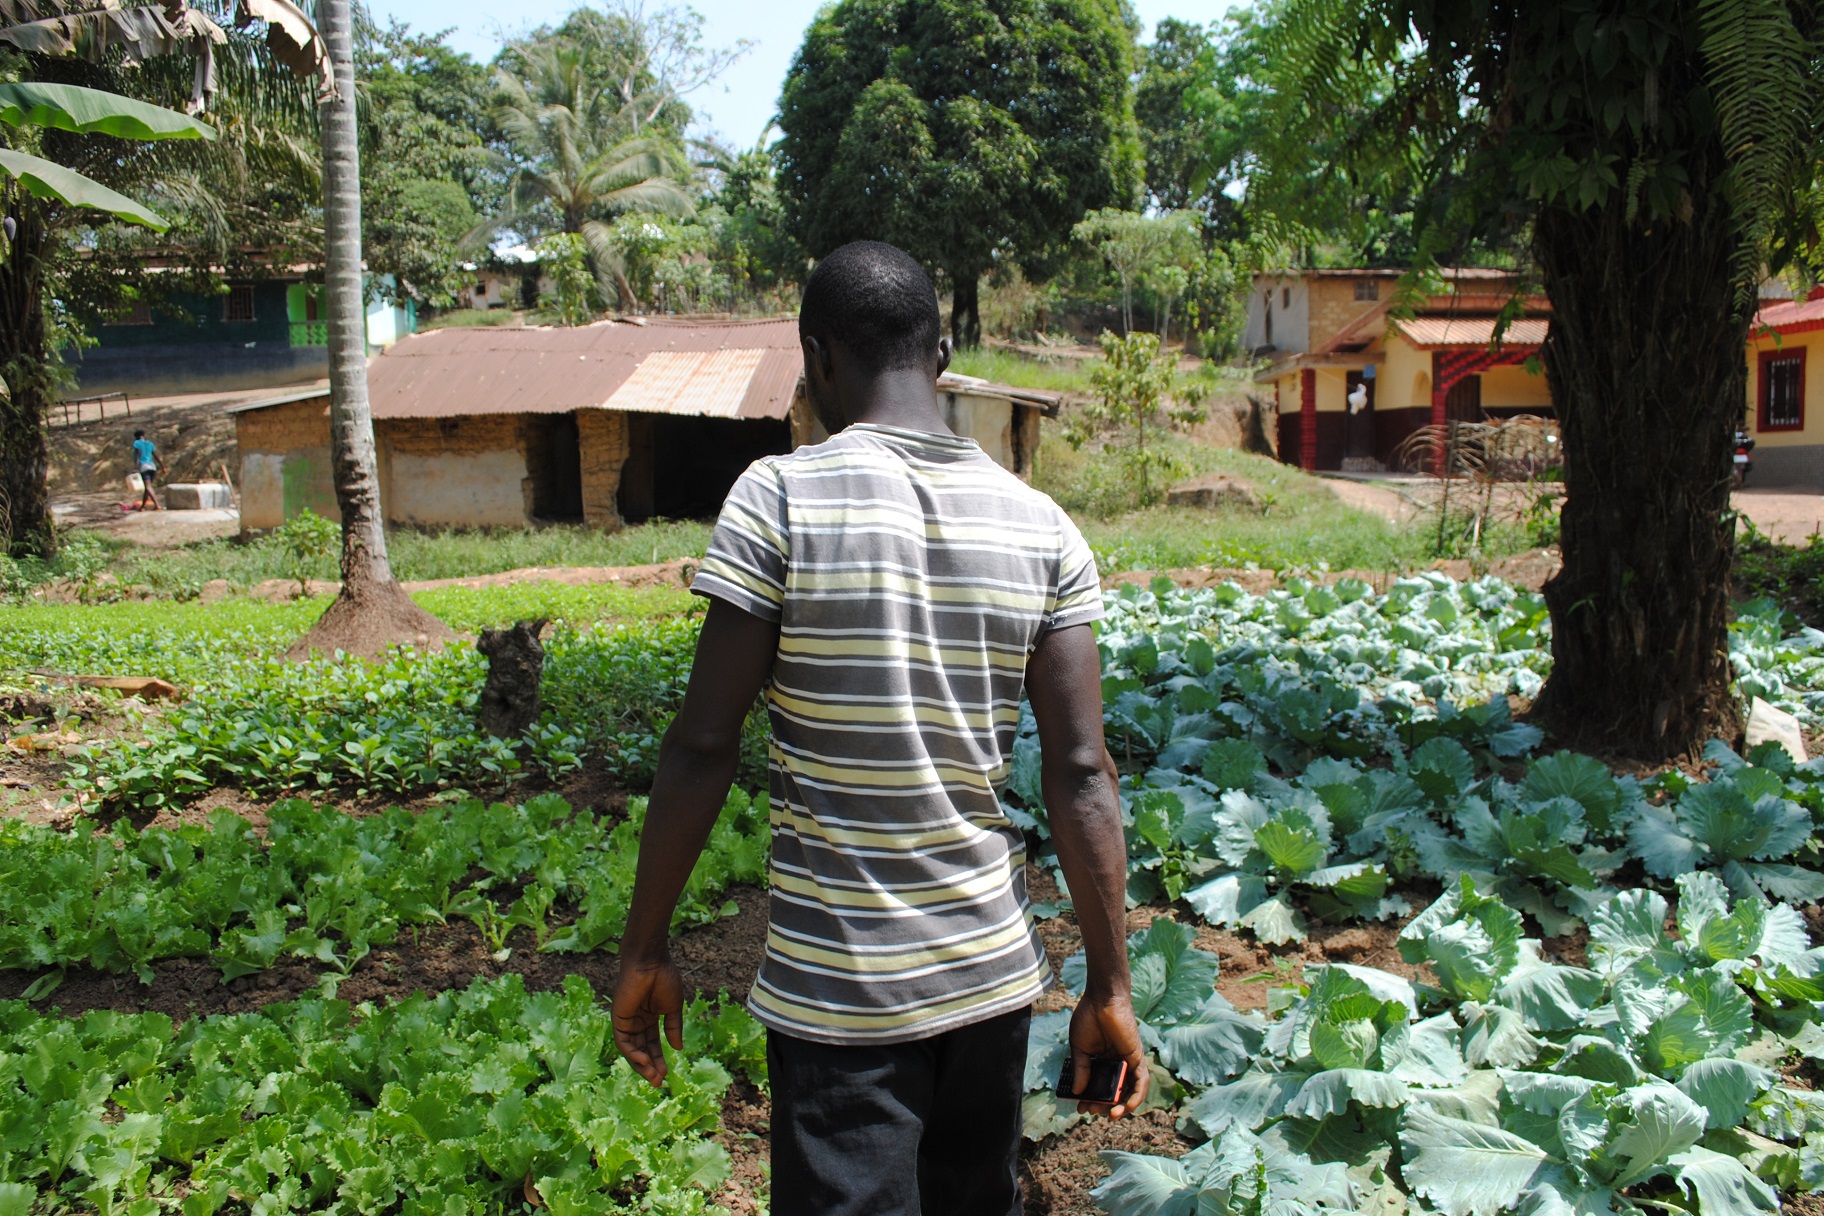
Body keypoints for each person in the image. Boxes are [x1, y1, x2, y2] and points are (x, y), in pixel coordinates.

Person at [611, 240, 1145, 1216]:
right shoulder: (1043, 525)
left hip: (842, 992)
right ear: (940, 353)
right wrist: (1108, 982)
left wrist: (645, 946)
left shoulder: (777, 500)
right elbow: (1081, 772)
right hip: (991, 981)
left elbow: (702, 745)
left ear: (817, 358)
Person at [131, 430, 165, 511]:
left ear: (136, 437)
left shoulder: (137, 443)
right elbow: (156, 456)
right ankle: (142, 507)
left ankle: (157, 505)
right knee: (147, 488)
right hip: (152, 467)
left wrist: (135, 467)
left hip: (144, 466)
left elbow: (138, 456)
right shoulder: (150, 444)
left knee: (148, 487)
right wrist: (162, 467)